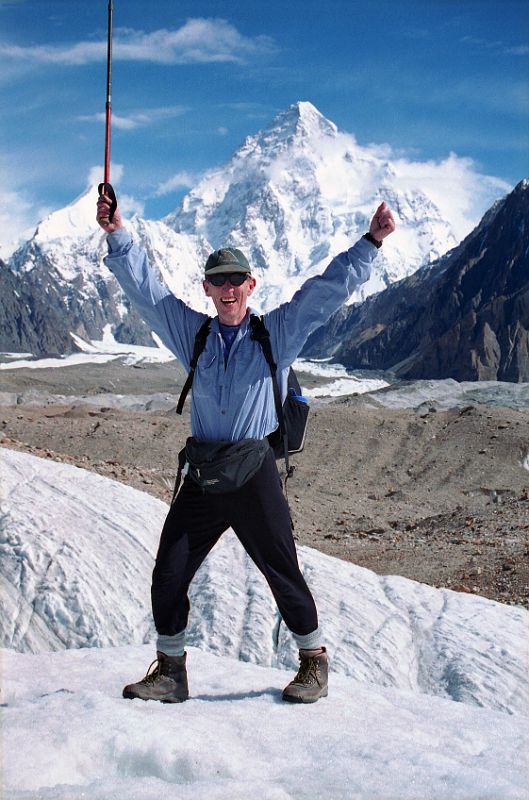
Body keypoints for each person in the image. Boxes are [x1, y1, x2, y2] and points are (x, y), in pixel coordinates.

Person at [96, 193, 396, 704]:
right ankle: (171, 670)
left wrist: (372, 242)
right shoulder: (191, 333)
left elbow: (325, 294)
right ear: (207, 288)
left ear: (250, 286)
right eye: (219, 280)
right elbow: (146, 292)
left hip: (254, 470)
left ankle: (313, 663)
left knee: (282, 569)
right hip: (205, 473)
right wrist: (116, 232)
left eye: (237, 280)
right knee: (169, 571)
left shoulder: (276, 333)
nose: (228, 288)